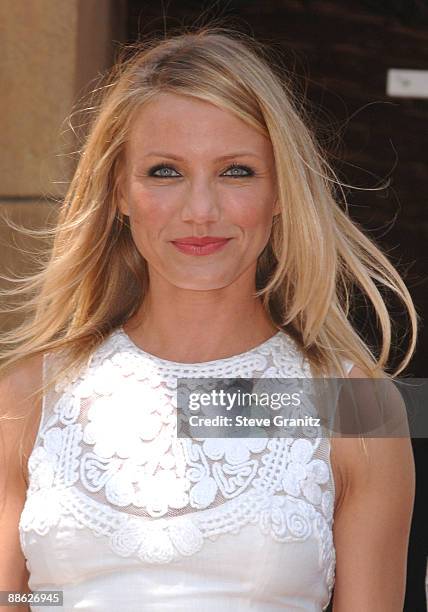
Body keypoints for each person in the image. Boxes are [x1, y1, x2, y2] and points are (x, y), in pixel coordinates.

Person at [0, 27, 416, 611]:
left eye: (236, 171)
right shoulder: (27, 397)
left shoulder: (355, 406)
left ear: (280, 192)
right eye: (165, 171)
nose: (201, 211)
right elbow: (17, 601)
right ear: (120, 190)